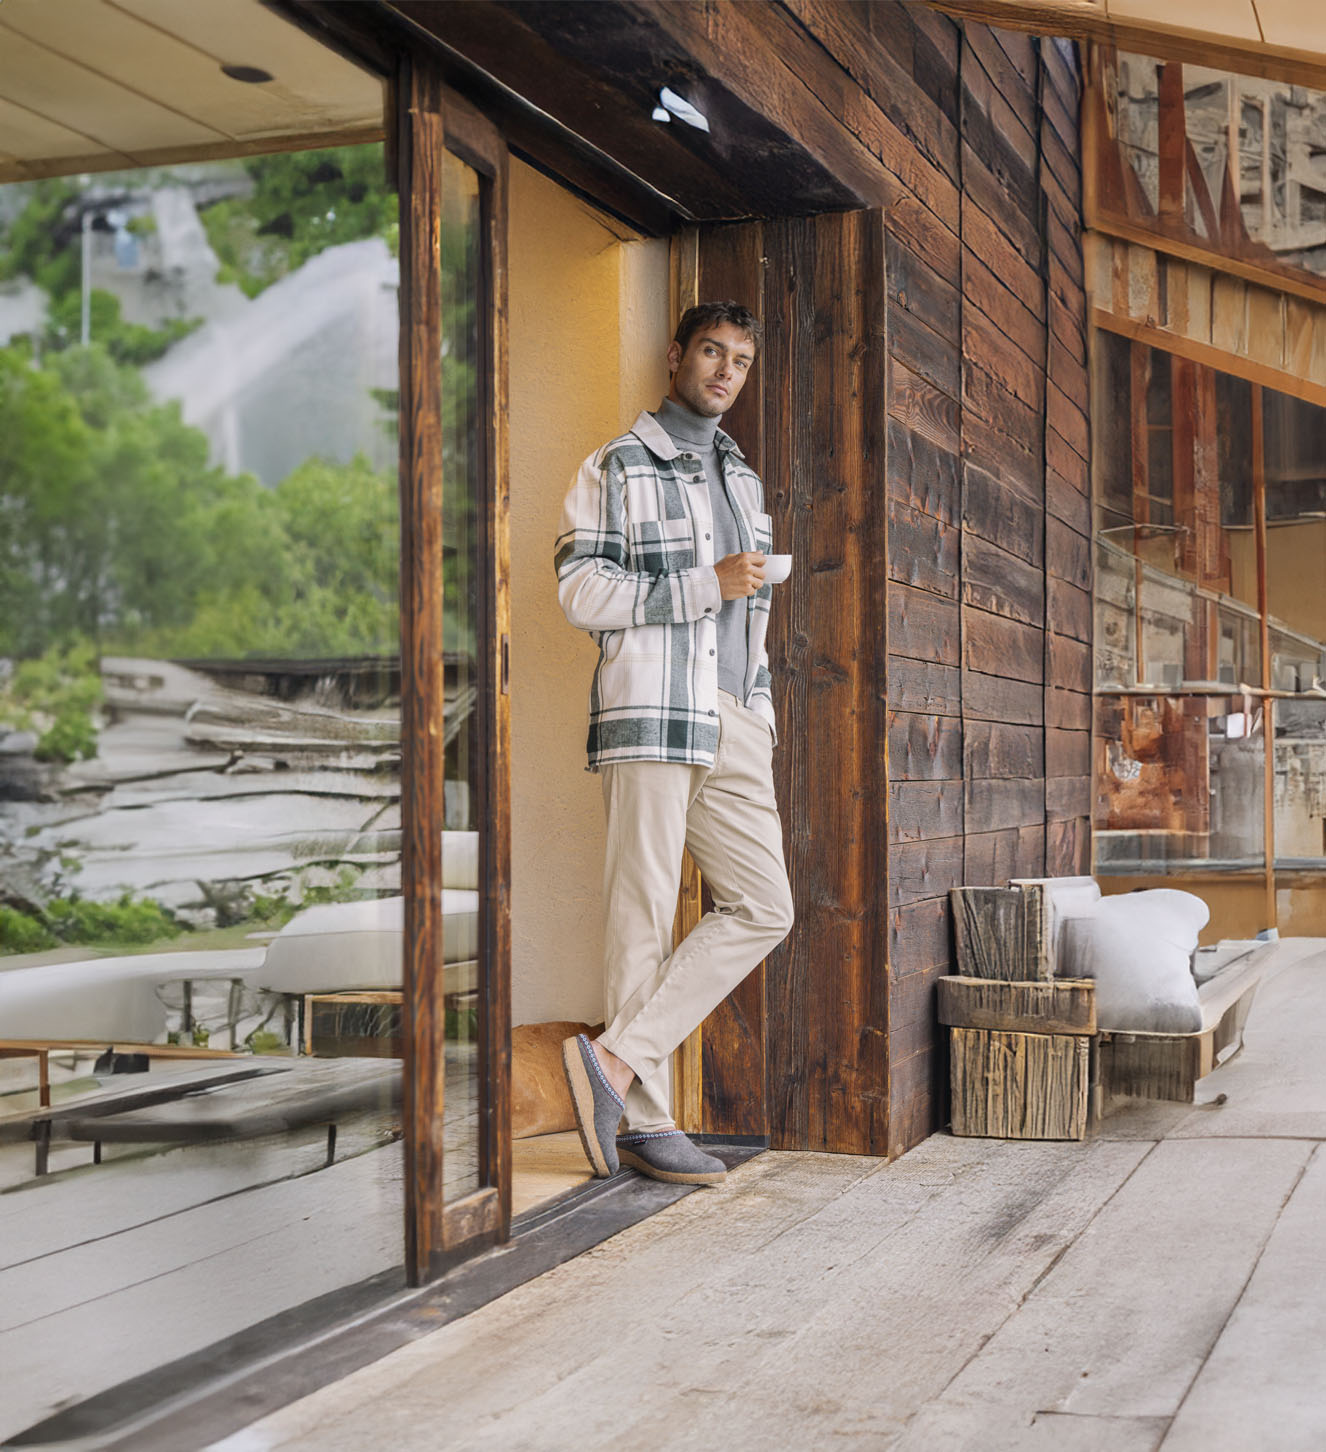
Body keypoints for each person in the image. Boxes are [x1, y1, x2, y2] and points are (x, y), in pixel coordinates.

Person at [553, 301, 795, 1187]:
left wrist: (759, 707)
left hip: (732, 716)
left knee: (766, 906)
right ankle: (645, 1124)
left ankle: (611, 1065)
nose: (726, 370)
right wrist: (701, 585)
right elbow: (580, 590)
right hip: (653, 711)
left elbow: (754, 612)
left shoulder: (745, 481)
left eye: (741, 358)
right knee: (642, 920)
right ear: (675, 357)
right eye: (712, 352)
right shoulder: (616, 465)